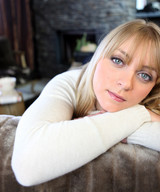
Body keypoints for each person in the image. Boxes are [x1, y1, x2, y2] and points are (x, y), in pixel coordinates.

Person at [12, 19, 160, 187]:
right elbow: (27, 165)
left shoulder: (153, 99)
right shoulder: (68, 83)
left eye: (144, 75)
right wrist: (138, 114)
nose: (126, 83)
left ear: (154, 86)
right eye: (118, 61)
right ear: (99, 56)